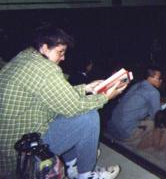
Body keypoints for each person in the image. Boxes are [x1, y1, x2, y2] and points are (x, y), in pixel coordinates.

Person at [0, 26, 128, 179]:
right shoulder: (46, 69)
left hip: (10, 144)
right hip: (23, 152)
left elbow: (55, 94)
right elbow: (75, 107)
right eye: (60, 52)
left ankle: (72, 164)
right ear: (45, 48)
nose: (63, 58)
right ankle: (86, 174)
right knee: (88, 116)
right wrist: (106, 97)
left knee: (66, 114)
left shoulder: (25, 57)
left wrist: (86, 88)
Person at [108, 66, 162, 140]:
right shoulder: (153, 92)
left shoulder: (136, 85)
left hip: (112, 128)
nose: (161, 80)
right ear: (153, 77)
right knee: (156, 124)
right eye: (159, 78)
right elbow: (156, 117)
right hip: (125, 133)